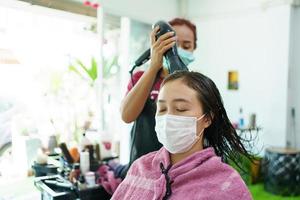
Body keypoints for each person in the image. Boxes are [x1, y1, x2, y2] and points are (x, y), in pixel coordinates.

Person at [111, 71, 253, 200]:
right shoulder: (140, 168)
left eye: (180, 109)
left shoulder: (226, 184)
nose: (168, 117)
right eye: (162, 109)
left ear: (207, 119)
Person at [118, 18, 197, 178]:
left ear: (194, 47)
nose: (178, 49)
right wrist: (153, 66)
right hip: (142, 169)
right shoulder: (141, 77)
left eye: (187, 45)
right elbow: (127, 116)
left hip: (179, 171)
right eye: (172, 43)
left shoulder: (195, 84)